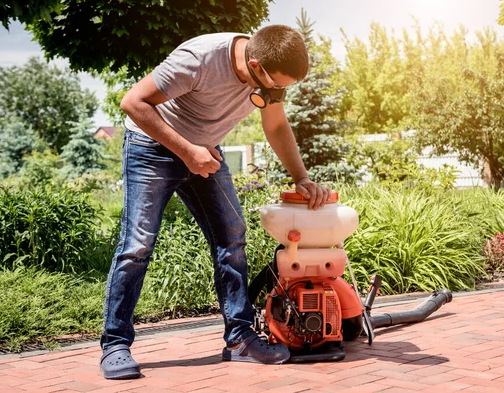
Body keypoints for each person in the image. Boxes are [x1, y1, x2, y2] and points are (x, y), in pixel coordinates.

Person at [99, 24, 331, 379]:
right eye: (278, 83)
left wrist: (301, 177)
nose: (279, 91)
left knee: (232, 236)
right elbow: (132, 102)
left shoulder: (270, 76)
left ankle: (239, 339)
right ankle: (115, 345)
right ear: (255, 65)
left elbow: (276, 126)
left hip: (204, 151)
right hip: (151, 149)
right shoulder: (199, 60)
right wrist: (187, 151)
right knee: (137, 245)